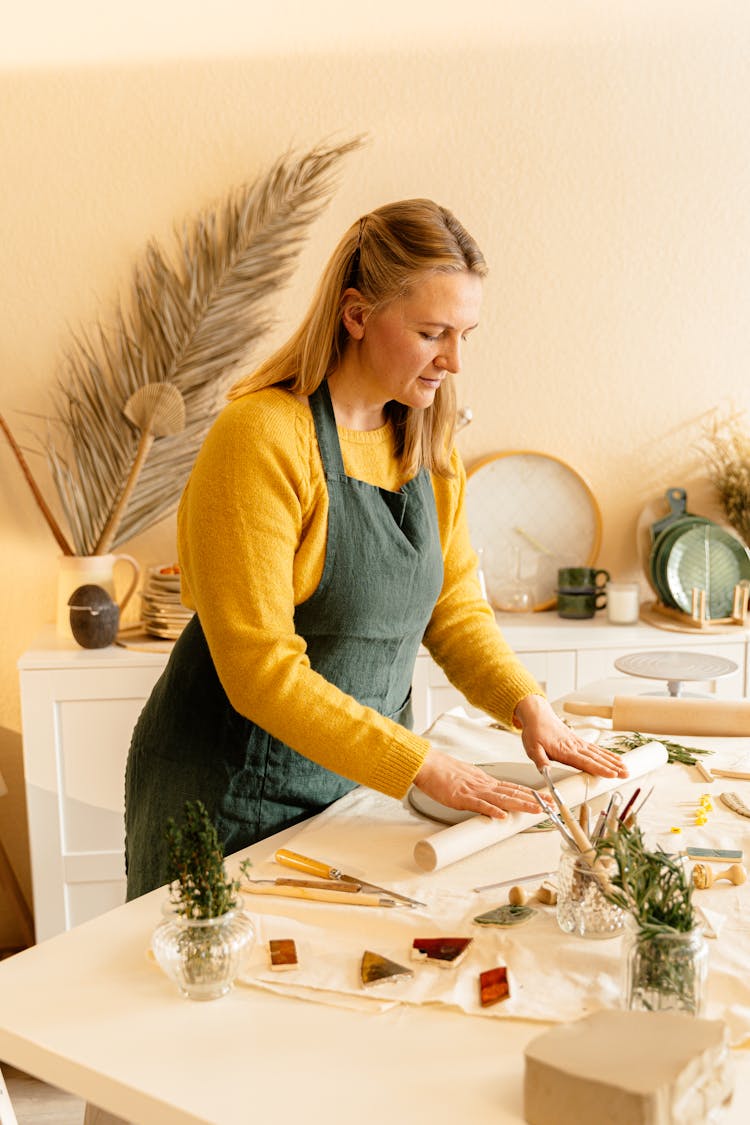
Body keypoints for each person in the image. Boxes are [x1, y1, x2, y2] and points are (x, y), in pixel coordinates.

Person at [124, 198, 626, 898]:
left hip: (356, 787)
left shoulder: (426, 437)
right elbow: (258, 668)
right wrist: (421, 763)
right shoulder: (262, 436)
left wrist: (525, 704)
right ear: (357, 314)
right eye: (432, 332)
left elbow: (452, 606)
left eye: (466, 333)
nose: (454, 359)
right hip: (228, 795)